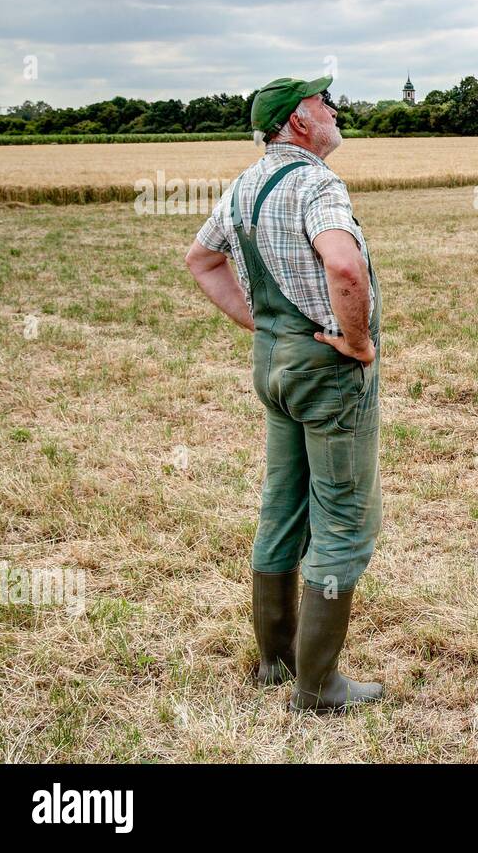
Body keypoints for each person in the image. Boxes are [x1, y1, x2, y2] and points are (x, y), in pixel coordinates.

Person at [184, 75, 384, 712]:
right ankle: (319, 686)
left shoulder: (244, 185)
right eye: (323, 103)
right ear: (300, 123)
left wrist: (261, 325)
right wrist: (354, 343)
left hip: (272, 364)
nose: (333, 110)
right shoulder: (316, 184)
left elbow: (201, 259)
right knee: (344, 516)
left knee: (283, 504)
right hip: (324, 369)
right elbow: (344, 266)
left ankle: (275, 662)